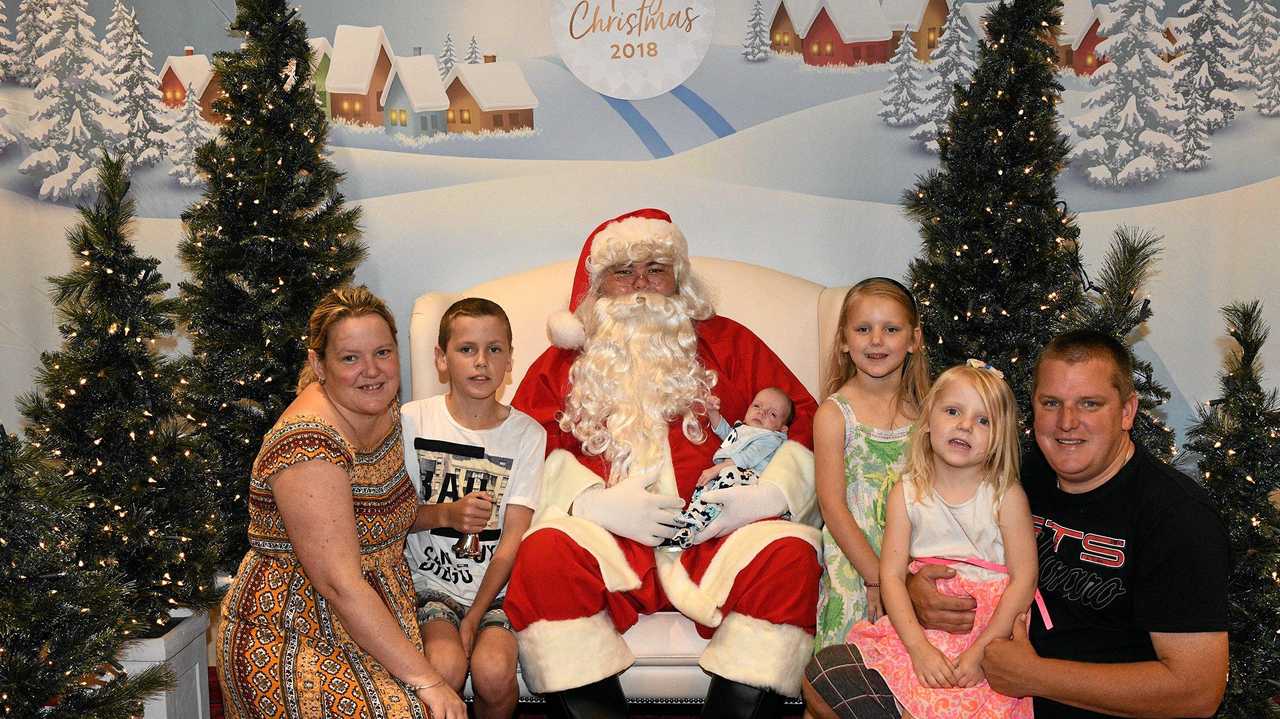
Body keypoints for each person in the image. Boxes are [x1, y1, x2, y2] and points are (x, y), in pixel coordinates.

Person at [804, 329, 1230, 719]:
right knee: (823, 679)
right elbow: (944, 540)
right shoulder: (1019, 474)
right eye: (1051, 403)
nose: (1067, 422)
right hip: (968, 665)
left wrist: (1034, 676)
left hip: (1062, 698)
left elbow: (1196, 691)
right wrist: (918, 588)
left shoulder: (1176, 516)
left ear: (1127, 411)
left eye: (1089, 403)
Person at [505, 208, 823, 718]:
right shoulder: (561, 363)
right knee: (543, 556)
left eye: (655, 268)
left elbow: (805, 418)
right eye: (622, 271)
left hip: (714, 536)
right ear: (596, 287)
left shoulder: (731, 343)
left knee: (790, 555)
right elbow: (520, 444)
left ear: (679, 279)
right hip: (607, 543)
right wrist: (587, 503)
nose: (640, 286)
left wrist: (765, 497)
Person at [216, 286, 466, 719]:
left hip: (370, 620)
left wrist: (447, 514)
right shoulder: (309, 445)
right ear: (319, 365)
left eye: (383, 353)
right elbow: (340, 585)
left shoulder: (382, 411)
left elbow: (383, 517)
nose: (371, 370)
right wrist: (429, 680)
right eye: (350, 358)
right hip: (295, 631)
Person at [845, 360, 1037, 718]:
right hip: (920, 629)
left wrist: (983, 649)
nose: (965, 425)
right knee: (910, 698)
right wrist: (918, 648)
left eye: (984, 420)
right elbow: (890, 575)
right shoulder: (907, 493)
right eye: (953, 411)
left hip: (987, 628)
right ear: (929, 419)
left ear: (998, 438)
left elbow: (1024, 579)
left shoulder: (1006, 496)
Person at [401, 298, 546, 719]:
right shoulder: (412, 421)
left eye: (494, 349)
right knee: (443, 666)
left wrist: (475, 617)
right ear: (441, 359)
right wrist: (446, 515)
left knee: (495, 671)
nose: (481, 362)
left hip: (497, 590)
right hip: (428, 584)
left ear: (509, 360)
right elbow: (391, 516)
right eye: (466, 349)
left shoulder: (527, 435)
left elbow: (512, 539)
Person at [814, 278, 931, 651]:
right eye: (863, 329)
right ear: (845, 340)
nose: (876, 340)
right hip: (857, 561)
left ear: (914, 339)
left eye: (891, 329)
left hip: (915, 558)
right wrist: (876, 577)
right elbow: (832, 506)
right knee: (848, 662)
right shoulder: (835, 414)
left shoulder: (928, 415)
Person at [663, 386, 795, 550]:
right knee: (705, 485)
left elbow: (747, 458)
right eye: (757, 406)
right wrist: (713, 413)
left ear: (782, 429)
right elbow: (727, 434)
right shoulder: (743, 430)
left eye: (772, 414)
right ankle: (691, 520)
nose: (762, 412)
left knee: (726, 473)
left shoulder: (772, 438)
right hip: (728, 477)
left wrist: (717, 469)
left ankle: (698, 523)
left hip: (751, 481)